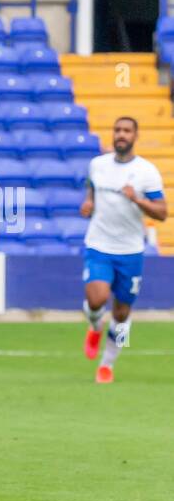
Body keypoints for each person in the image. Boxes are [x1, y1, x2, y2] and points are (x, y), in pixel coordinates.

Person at [79, 116, 167, 383]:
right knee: (96, 299)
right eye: (117, 130)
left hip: (130, 251)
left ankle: (108, 364)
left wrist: (137, 199)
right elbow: (91, 188)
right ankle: (94, 326)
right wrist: (89, 203)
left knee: (122, 314)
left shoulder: (147, 172)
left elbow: (162, 212)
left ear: (135, 137)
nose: (121, 134)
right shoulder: (98, 165)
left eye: (127, 131)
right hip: (99, 245)